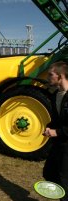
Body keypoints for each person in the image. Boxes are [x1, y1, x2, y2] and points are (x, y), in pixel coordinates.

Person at [43, 61, 68, 201]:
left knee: (64, 180)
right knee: (49, 173)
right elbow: (57, 119)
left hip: (66, 143)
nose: (48, 77)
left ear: (61, 76)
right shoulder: (56, 95)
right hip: (58, 143)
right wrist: (49, 127)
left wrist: (57, 132)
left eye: (50, 74)